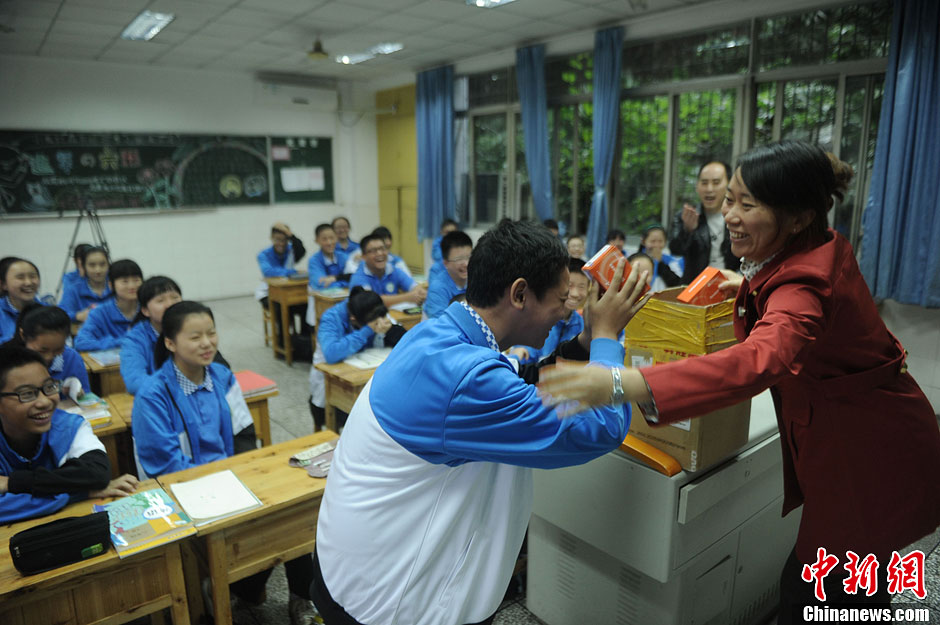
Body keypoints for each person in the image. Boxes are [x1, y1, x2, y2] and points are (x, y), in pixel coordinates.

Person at [538, 141, 940, 623]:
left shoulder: (802, 288)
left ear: (796, 217)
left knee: (815, 592)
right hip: (867, 431)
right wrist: (748, 284)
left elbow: (758, 360)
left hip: (868, 455)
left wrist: (624, 383)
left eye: (747, 204)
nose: (730, 213)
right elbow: (787, 289)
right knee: (855, 585)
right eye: (730, 198)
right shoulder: (816, 246)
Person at [311, 218, 648, 625]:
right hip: (388, 603)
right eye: (561, 300)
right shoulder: (464, 378)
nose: (567, 310)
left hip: (353, 570)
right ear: (520, 293)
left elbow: (521, 383)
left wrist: (584, 343)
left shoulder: (440, 334)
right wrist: (610, 339)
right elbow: (602, 429)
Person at [132, 301, 320, 625]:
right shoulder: (153, 395)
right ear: (170, 343)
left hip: (230, 478)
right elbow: (164, 466)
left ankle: (300, 599)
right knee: (262, 528)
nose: (207, 343)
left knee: (292, 513)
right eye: (195, 337)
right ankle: (230, 586)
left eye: (211, 333)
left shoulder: (220, 374)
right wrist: (224, 484)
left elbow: (244, 432)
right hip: (184, 491)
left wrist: (245, 474)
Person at [0, 346, 138, 524]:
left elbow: (96, 474)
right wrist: (80, 492)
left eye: (49, 387)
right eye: (27, 394)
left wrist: (12, 483)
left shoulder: (68, 425)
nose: (44, 401)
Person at [308, 287, 406, 432]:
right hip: (331, 377)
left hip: (365, 370)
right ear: (353, 318)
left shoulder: (371, 310)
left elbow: (403, 338)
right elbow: (331, 353)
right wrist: (367, 331)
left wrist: (390, 329)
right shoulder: (331, 317)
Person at [508, 258, 590, 364]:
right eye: (570, 285)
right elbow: (522, 356)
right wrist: (516, 356)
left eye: (581, 287)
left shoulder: (584, 326)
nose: (575, 293)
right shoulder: (537, 321)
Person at [669, 160, 740, 282]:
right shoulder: (685, 216)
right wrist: (688, 231)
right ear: (697, 186)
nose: (709, 189)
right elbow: (675, 249)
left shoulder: (738, 216)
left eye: (716, 182)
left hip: (730, 284)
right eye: (704, 183)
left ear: (729, 185)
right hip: (695, 286)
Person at [2, 303, 89, 400]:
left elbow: (87, 400)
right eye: (42, 350)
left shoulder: (71, 358)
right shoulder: (8, 364)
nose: (49, 357)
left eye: (58, 349)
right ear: (23, 336)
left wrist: (78, 395)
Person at [120, 276, 183, 395]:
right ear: (145, 310)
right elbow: (134, 382)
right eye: (160, 300)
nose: (170, 304)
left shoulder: (190, 329)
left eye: (175, 298)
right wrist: (178, 387)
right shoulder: (134, 339)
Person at [74, 259, 143, 351]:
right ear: (111, 285)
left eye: (136, 280)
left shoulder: (149, 309)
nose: (132, 286)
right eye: (125, 281)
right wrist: (122, 341)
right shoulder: (100, 313)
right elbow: (81, 343)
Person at [349, 233, 426, 308]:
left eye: (382, 249)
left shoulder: (393, 270)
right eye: (373, 251)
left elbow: (414, 286)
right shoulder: (358, 277)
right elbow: (372, 302)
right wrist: (408, 297)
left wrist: (420, 293)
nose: (379, 253)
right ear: (364, 257)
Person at [423, 230, 472, 319]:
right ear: (446, 263)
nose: (466, 263)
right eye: (459, 259)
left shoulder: (476, 280)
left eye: (469, 257)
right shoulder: (437, 288)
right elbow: (441, 325)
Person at [59, 245, 110, 322]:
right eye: (92, 265)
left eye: (102, 264)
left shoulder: (116, 287)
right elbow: (61, 315)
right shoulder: (73, 290)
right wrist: (78, 316)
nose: (98, 270)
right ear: (83, 267)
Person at [0, 257, 43, 343]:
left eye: (32, 276)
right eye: (20, 277)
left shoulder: (48, 310)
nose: (28, 282)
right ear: (4, 284)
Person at [637, 225, 683, 291]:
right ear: (643, 241)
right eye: (653, 241)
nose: (656, 245)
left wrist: (660, 263)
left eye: (660, 241)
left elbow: (677, 285)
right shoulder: (636, 260)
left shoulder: (672, 262)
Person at [308, 223, 350, 291]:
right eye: (324, 239)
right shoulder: (314, 261)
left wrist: (335, 279)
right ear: (317, 241)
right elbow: (322, 284)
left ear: (336, 238)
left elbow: (355, 278)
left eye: (332, 238)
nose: (329, 243)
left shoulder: (344, 257)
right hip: (322, 298)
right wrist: (345, 282)